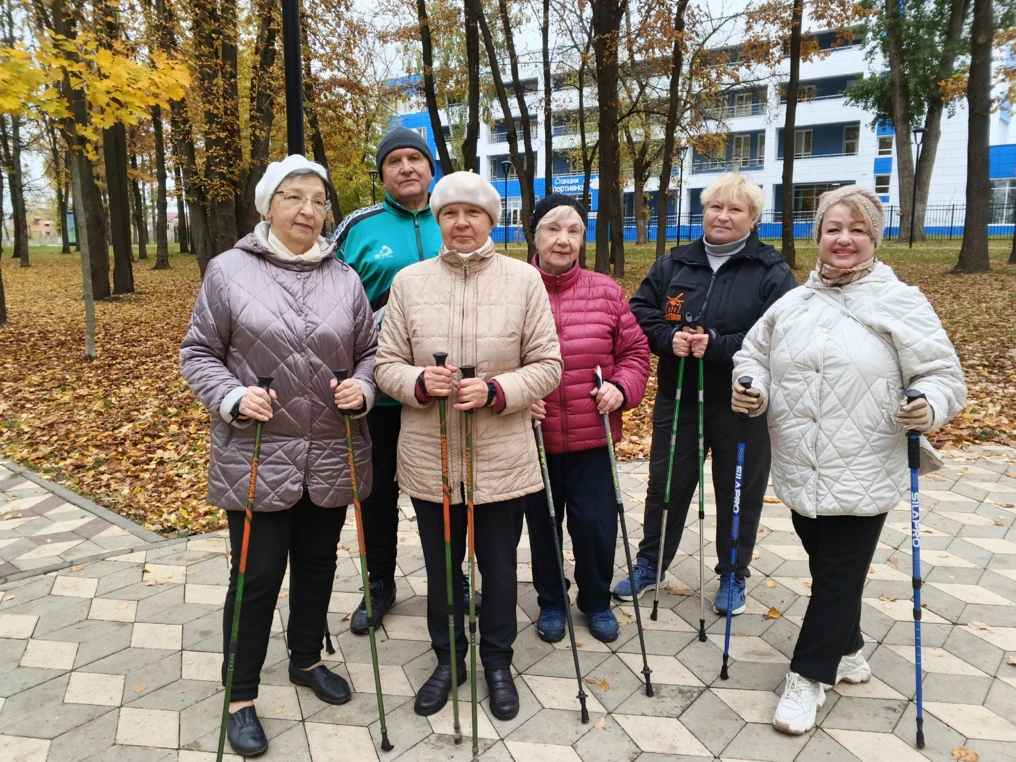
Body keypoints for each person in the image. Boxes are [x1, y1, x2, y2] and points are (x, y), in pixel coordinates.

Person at [732, 186, 966, 735]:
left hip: (866, 464)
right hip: (799, 465)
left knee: (837, 575)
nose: (844, 239)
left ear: (874, 239)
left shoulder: (900, 300)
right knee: (830, 568)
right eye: (834, 228)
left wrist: (928, 404)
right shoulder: (793, 303)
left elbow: (942, 375)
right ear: (818, 235)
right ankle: (850, 645)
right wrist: (751, 386)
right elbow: (752, 355)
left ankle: (807, 677)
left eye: (857, 229)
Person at [180, 155, 378, 757]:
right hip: (259, 454)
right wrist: (233, 396)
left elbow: (370, 351)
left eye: (317, 200)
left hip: (329, 451)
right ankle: (240, 694)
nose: (307, 210)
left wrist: (364, 388)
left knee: (318, 564)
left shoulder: (344, 277)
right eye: (293, 197)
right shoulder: (228, 270)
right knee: (257, 573)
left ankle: (305, 660)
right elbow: (198, 353)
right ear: (269, 205)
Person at [374, 171, 562, 722]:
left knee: (500, 571)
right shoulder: (409, 282)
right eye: (450, 213)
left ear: (490, 221)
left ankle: (497, 661)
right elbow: (385, 364)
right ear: (438, 220)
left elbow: (548, 364)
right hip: (430, 455)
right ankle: (447, 658)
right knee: (442, 567)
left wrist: (499, 390)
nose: (461, 222)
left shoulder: (524, 280)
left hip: (501, 453)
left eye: (473, 213)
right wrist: (415, 382)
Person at [615, 173, 797, 616]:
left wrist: (718, 345)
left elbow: (780, 336)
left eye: (736, 209)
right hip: (678, 397)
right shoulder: (674, 264)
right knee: (666, 486)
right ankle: (650, 563)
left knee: (737, 490)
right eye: (716, 207)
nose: (723, 216)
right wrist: (668, 338)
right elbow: (639, 312)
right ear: (704, 212)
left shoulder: (771, 272)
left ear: (753, 219)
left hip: (741, 403)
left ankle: (733, 573)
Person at [332, 127, 447, 635]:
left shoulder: (455, 218)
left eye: (415, 159)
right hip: (377, 390)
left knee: (443, 486)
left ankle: (450, 579)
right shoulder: (360, 226)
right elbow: (324, 297)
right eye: (395, 160)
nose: (406, 168)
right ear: (381, 174)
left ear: (431, 168)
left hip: (439, 390)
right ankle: (380, 582)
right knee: (375, 492)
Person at [524, 194, 650, 644]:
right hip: (531, 440)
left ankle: (595, 600)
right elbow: (492, 356)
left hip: (591, 438)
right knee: (543, 530)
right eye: (553, 228)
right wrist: (516, 398)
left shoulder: (605, 290)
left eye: (573, 230)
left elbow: (635, 353)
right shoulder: (515, 288)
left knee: (596, 528)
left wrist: (620, 388)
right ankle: (552, 601)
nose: (563, 239)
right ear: (533, 233)